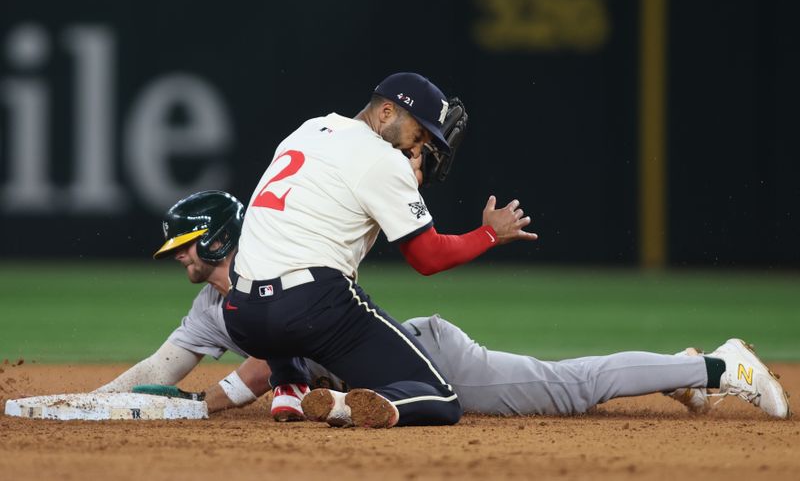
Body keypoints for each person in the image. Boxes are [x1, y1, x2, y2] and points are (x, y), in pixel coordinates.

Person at [96, 190, 791, 421]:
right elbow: (164, 361)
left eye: (186, 247)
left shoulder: (275, 264)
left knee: (568, 389)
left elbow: (255, 374)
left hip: (426, 360)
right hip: (372, 379)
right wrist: (94, 400)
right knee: (568, 386)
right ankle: (673, 366)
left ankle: (716, 365)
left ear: (217, 238)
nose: (180, 259)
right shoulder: (211, 309)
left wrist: (195, 404)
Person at [223, 72, 542, 428]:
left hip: (242, 314)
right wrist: (489, 235)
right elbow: (428, 257)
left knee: (277, 275)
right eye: (418, 133)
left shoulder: (310, 129)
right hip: (309, 311)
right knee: (440, 399)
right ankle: (342, 404)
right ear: (387, 112)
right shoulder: (382, 159)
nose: (418, 148)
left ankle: (289, 385)